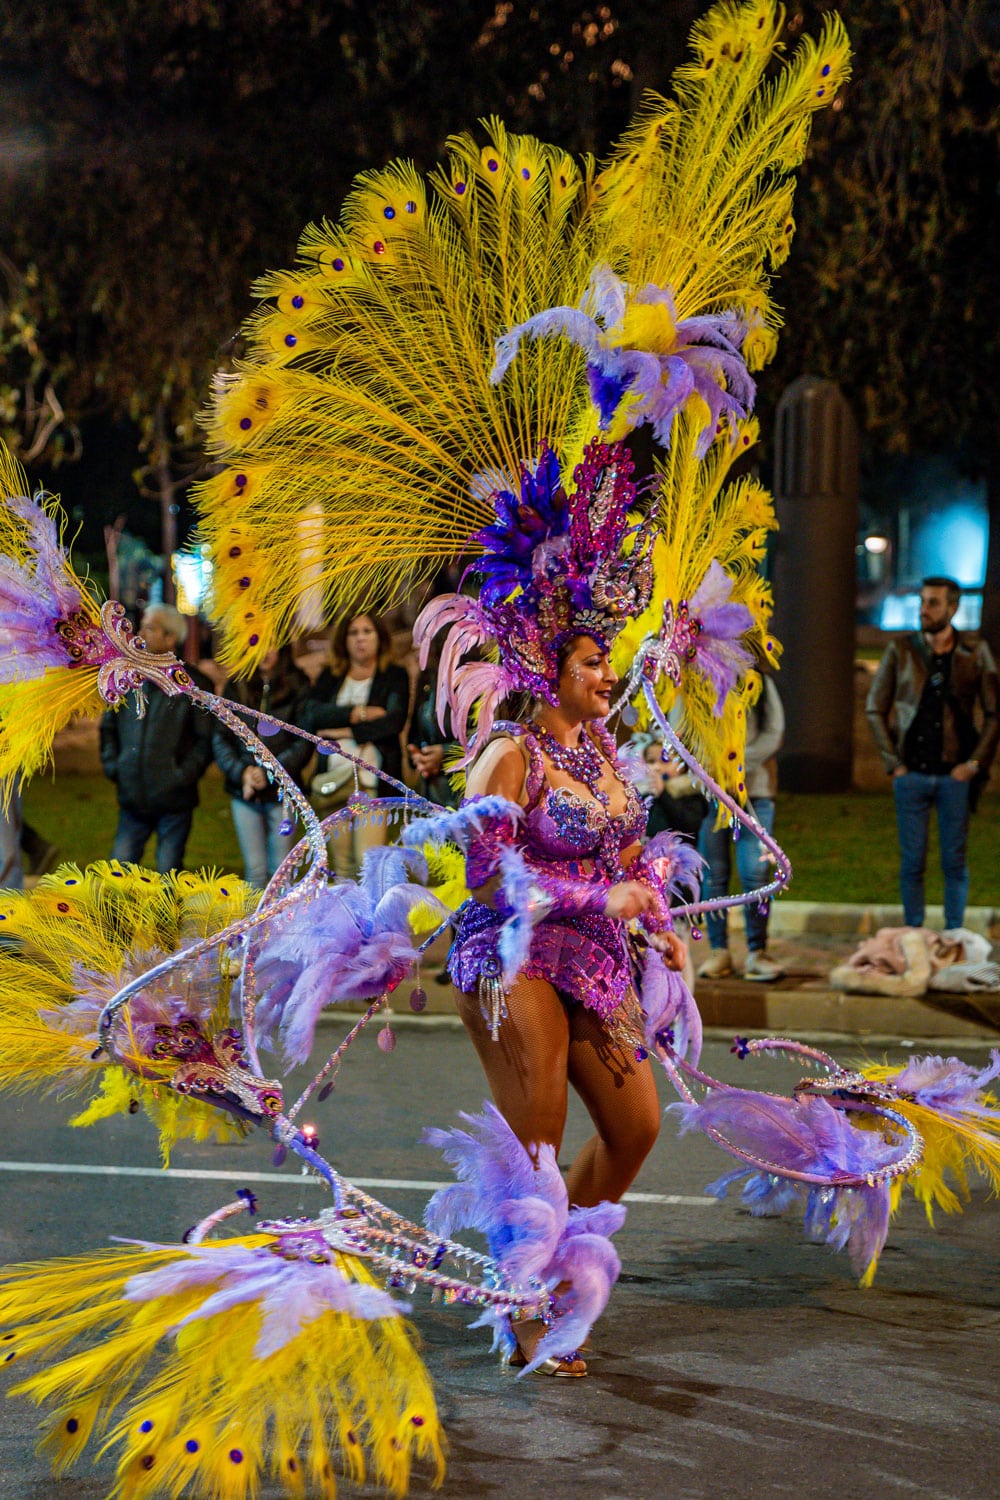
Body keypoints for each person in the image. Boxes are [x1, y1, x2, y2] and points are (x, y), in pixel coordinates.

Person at [866, 576, 999, 930]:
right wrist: (893, 763)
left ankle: (954, 936)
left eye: (933, 603)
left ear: (953, 608)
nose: (924, 610)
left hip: (954, 776)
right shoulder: (902, 650)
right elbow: (874, 708)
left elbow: (994, 713)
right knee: (912, 863)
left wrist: (973, 765)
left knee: (954, 862)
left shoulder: (974, 653)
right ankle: (914, 935)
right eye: (922, 602)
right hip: (911, 775)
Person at [98, 603, 214, 872]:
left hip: (173, 801)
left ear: (170, 638)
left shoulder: (192, 686)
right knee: (119, 872)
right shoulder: (127, 678)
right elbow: (109, 727)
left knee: (168, 872)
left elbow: (204, 740)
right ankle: (116, 916)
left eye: (149, 627)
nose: (139, 633)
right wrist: (116, 766)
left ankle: (166, 916)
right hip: (132, 797)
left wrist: (180, 775)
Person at [302, 612, 409, 877]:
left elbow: (392, 722)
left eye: (367, 631)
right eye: (353, 632)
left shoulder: (393, 676)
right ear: (344, 640)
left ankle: (370, 918)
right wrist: (361, 713)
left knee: (367, 863)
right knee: (341, 867)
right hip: (334, 782)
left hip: (370, 787)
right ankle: (345, 919)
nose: (360, 638)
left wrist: (342, 729)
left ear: (379, 637)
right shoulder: (331, 675)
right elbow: (313, 715)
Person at [696, 674, 785, 982]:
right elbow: (682, 728)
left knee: (755, 873)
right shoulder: (698, 682)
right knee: (713, 876)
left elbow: (774, 732)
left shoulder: (759, 682)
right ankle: (718, 951)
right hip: (711, 797)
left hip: (755, 795)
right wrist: (709, 765)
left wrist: (736, 764)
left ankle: (757, 951)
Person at [212, 644, 312, 888]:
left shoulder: (298, 685)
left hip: (283, 794)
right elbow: (221, 736)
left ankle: (283, 925)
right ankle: (256, 925)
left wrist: (270, 772)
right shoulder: (237, 685)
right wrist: (242, 772)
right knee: (255, 871)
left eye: (271, 645)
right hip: (244, 792)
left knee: (282, 869)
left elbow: (303, 739)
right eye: (257, 643)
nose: (265, 652)